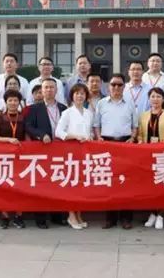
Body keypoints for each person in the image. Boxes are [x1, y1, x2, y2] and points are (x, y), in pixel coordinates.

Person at [94, 73, 139, 229]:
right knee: (109, 182)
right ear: (108, 86)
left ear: (124, 87)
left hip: (125, 143)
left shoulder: (130, 104)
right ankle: (110, 218)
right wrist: (99, 138)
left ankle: (126, 218)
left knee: (126, 182)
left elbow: (135, 125)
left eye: (120, 85)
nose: (116, 87)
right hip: (107, 144)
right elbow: (96, 125)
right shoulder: (101, 103)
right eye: (113, 84)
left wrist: (132, 138)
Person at [25, 78, 68, 228]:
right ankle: (41, 218)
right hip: (42, 150)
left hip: (60, 151)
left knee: (58, 183)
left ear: (56, 90)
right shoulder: (34, 109)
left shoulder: (63, 108)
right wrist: (41, 135)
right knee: (42, 185)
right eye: (46, 88)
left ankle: (58, 216)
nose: (49, 90)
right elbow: (28, 126)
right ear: (41, 91)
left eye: (52, 87)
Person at [55, 84, 94, 230]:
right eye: (77, 93)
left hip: (85, 153)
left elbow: (89, 131)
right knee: (72, 184)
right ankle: (71, 215)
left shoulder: (89, 113)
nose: (80, 96)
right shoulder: (67, 113)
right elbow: (58, 131)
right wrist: (75, 136)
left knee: (82, 185)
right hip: (71, 152)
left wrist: (90, 137)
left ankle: (79, 214)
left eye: (82, 93)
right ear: (72, 96)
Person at [138, 87, 164, 230]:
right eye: (153, 96)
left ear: (163, 99)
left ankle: (160, 215)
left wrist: (160, 143)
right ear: (149, 99)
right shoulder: (143, 116)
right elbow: (140, 134)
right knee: (150, 186)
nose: (155, 99)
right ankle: (152, 213)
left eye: (158, 96)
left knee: (163, 185)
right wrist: (141, 142)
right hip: (147, 155)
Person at [0, 89, 27, 229]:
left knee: (20, 188)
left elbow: (27, 137)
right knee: (4, 187)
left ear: (19, 102)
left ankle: (19, 215)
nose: (13, 103)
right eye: (10, 100)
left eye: (15, 100)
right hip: (3, 158)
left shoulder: (23, 118)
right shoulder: (0, 117)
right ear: (5, 102)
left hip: (20, 158)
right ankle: (5, 216)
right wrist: (8, 140)